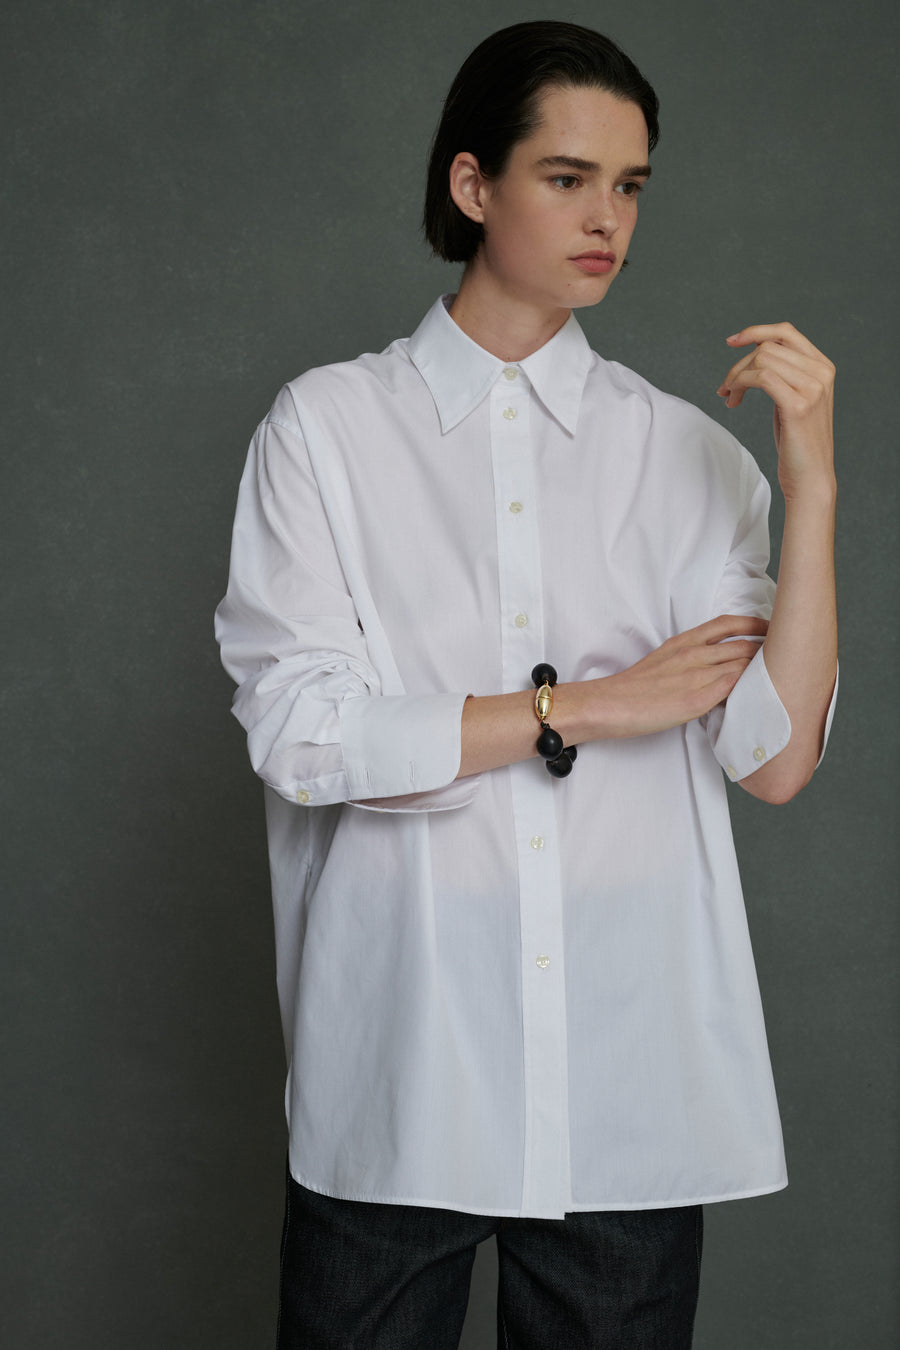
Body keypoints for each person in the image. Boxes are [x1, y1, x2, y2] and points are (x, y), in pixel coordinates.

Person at [215, 20, 837, 1350]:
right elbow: (305, 733)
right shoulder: (325, 430)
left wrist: (816, 488)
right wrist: (588, 706)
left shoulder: (692, 458)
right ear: (473, 184)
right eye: (567, 177)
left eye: (630, 185)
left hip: (628, 1080)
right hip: (402, 1070)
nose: (608, 218)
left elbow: (775, 760)